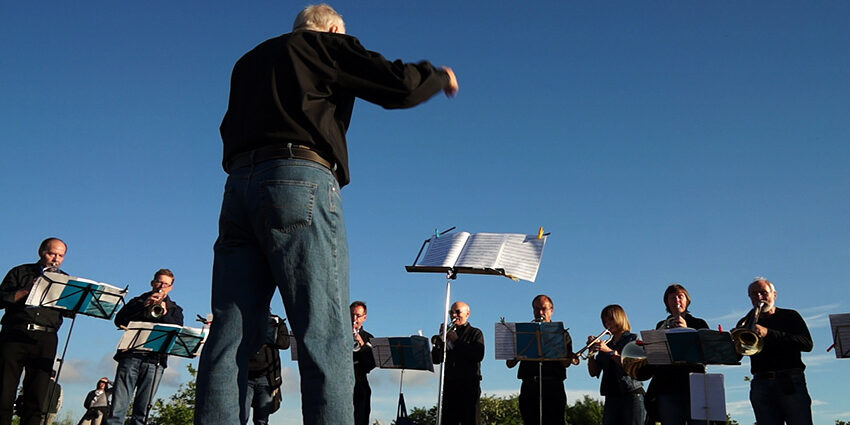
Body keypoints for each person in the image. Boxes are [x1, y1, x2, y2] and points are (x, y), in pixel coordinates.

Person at [194, 4, 458, 425]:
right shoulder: (324, 44)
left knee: (229, 335)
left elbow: (227, 127)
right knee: (325, 332)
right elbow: (399, 86)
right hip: (300, 177)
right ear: (333, 29)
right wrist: (438, 76)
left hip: (238, 187)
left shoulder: (248, 61)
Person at [0, 237, 68, 425]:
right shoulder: (20, 272)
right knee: (3, 392)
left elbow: (70, 309)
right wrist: (24, 291)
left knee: (37, 397)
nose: (56, 258)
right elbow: (1, 298)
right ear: (41, 252)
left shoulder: (66, 280)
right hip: (15, 334)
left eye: (60, 255)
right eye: (52, 253)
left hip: (45, 338)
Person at [105, 269, 183, 425]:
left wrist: (165, 313)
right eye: (159, 282)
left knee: (142, 412)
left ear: (171, 288)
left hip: (155, 361)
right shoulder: (137, 301)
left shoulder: (175, 310)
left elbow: (177, 331)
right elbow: (119, 320)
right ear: (152, 283)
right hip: (131, 356)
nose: (161, 286)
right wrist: (143, 307)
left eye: (166, 284)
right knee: (117, 409)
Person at [734, 277, 813, 425]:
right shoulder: (745, 321)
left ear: (774, 295)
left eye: (763, 293)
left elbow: (807, 344)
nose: (759, 297)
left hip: (790, 381)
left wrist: (768, 333)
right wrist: (734, 341)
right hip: (760, 383)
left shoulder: (790, 316)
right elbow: (738, 355)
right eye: (754, 294)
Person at [640, 283, 709, 425]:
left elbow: (707, 353)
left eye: (680, 297)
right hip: (667, 385)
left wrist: (686, 330)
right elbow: (655, 354)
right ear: (667, 303)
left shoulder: (699, 323)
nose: (676, 301)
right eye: (672, 298)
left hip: (694, 385)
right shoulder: (661, 324)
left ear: (687, 301)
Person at [506, 294, 572, 425]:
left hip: (553, 385)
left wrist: (557, 351)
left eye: (544, 309)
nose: (540, 312)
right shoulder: (522, 333)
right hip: (529, 385)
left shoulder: (561, 333)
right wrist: (517, 354)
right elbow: (509, 364)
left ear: (551, 310)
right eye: (536, 309)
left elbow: (567, 363)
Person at [585, 304, 645, 425]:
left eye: (611, 319)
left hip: (631, 394)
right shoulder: (607, 343)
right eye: (605, 321)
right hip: (611, 396)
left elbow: (630, 365)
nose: (608, 324)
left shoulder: (632, 339)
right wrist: (590, 352)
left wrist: (609, 351)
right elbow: (593, 372)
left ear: (619, 318)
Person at [430, 301, 484, 425]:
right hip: (450, 385)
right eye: (451, 312)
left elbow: (477, 355)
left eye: (458, 312)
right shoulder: (447, 334)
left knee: (470, 420)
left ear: (467, 314)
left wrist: (456, 341)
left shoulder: (475, 333)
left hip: (469, 385)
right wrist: (439, 341)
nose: (454, 315)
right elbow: (435, 359)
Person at [244, 314, 290, 425]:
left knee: (261, 419)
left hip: (267, 378)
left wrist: (268, 331)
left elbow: (285, 343)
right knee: (241, 415)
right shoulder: (245, 318)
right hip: (246, 376)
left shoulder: (276, 321)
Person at [351, 301, 376, 425]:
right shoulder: (337, 334)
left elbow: (370, 365)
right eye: (351, 315)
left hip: (359, 384)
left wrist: (362, 343)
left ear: (364, 318)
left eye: (358, 315)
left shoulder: (369, 338)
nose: (354, 319)